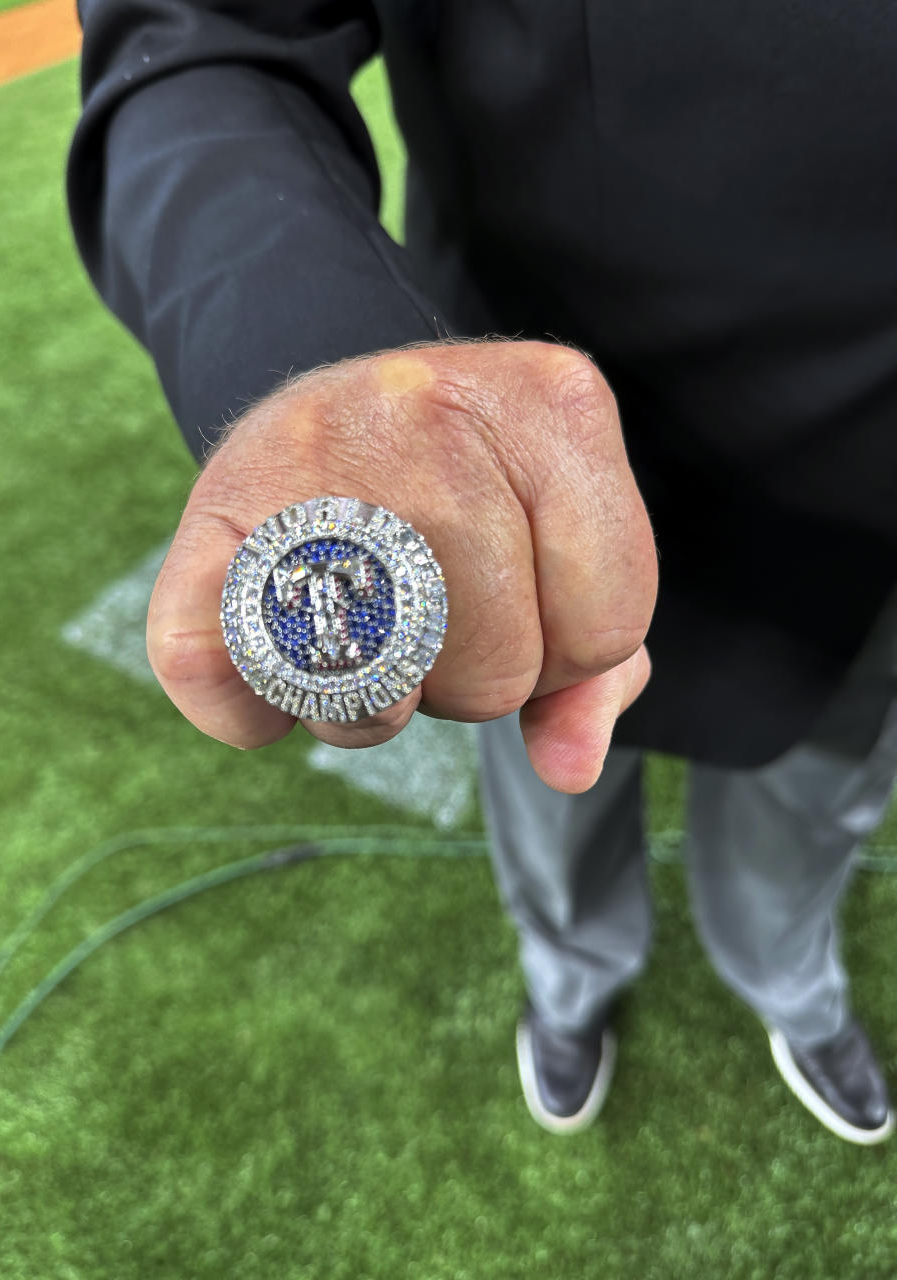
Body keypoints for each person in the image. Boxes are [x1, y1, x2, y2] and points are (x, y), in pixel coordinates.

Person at [68, 1, 897, 1144]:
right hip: (500, 455)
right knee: (553, 781)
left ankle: (792, 987)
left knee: (814, 798)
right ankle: (571, 985)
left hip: (867, 492)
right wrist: (306, 352)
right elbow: (205, 32)